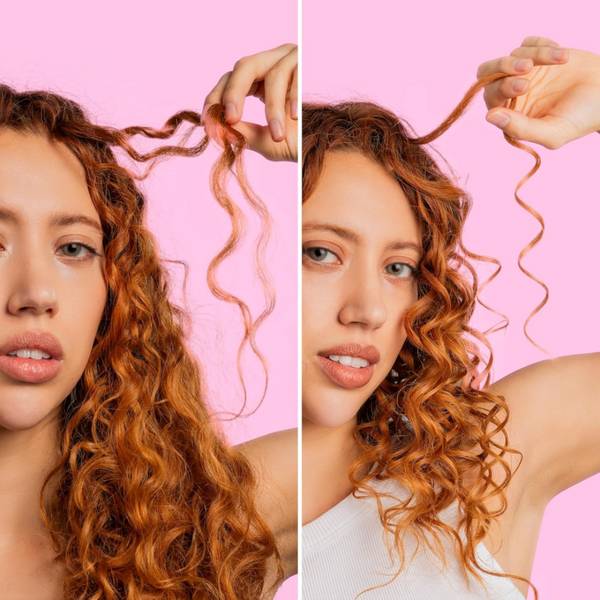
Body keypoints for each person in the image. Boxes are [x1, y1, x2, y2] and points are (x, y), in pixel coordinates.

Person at [302, 35, 600, 600]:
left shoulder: (477, 463)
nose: (366, 311)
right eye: (320, 253)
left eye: (398, 267)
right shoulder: (159, 516)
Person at [0, 43, 297, 600]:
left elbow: (446, 445)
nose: (35, 294)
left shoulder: (204, 528)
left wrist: (326, 137)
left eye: (74, 248)